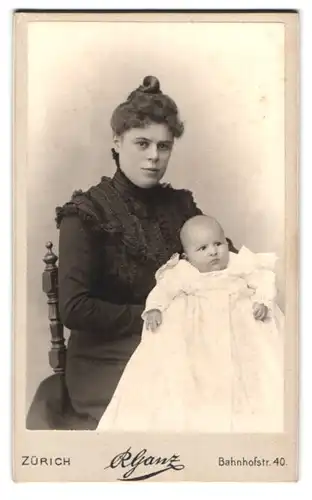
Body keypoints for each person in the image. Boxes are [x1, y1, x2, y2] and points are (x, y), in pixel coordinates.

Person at [26, 75, 237, 430]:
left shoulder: (181, 206)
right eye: (142, 143)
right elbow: (75, 309)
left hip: (180, 345)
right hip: (107, 358)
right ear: (117, 141)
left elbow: (225, 262)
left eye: (164, 146)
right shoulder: (85, 214)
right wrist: (158, 317)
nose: (154, 157)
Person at [97, 215, 284, 433]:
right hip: (200, 329)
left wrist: (262, 300)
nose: (213, 252)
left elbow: (263, 280)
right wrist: (155, 308)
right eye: (203, 248)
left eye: (218, 244)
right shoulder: (183, 272)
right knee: (193, 370)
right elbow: (163, 290)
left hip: (238, 323)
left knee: (257, 366)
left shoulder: (237, 264)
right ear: (188, 256)